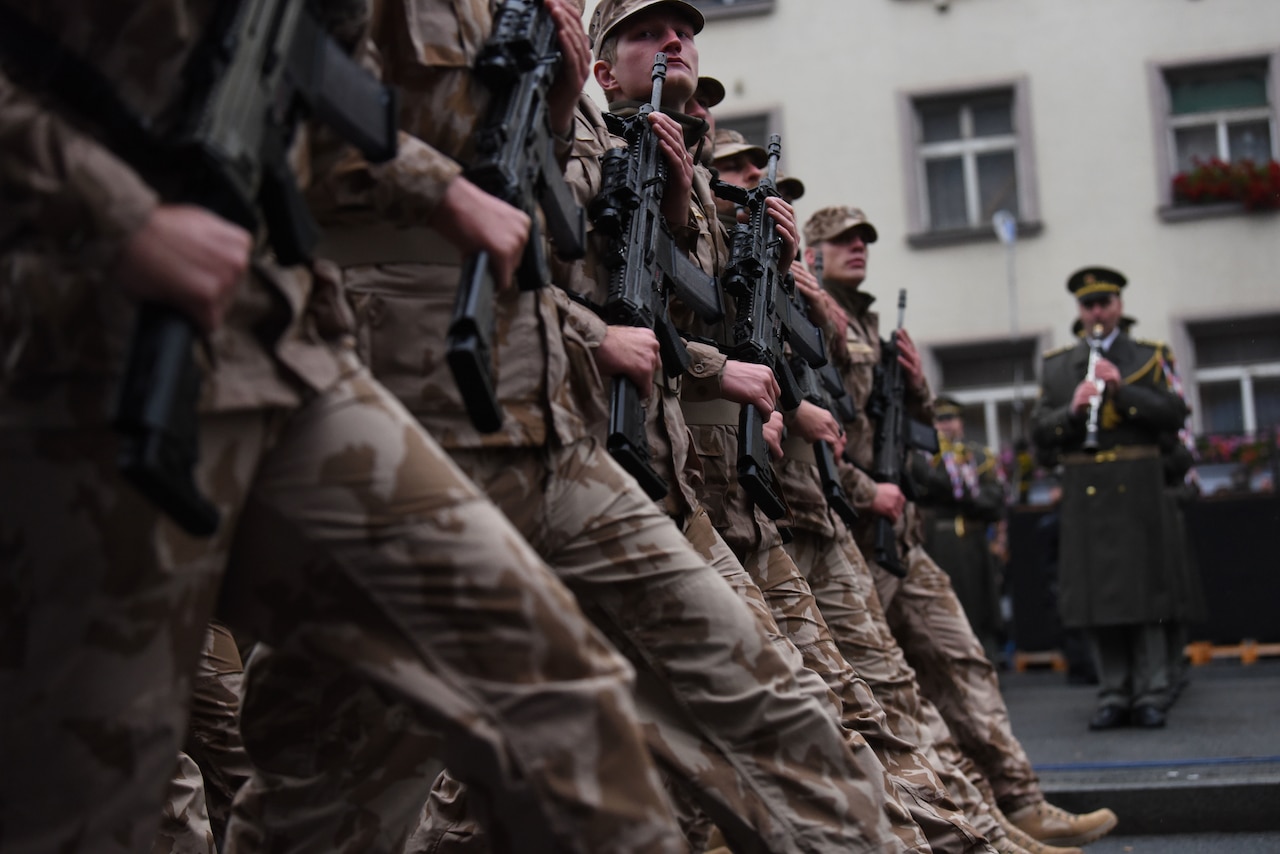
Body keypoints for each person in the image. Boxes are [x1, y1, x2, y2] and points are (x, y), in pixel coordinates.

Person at [0, 2, 692, 851]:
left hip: (288, 351)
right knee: (98, 788)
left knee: (557, 688)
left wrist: (445, 182)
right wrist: (122, 218)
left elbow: (332, 113)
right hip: (79, 355)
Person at [804, 205, 1119, 849]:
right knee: (889, 692)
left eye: (864, 238)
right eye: (842, 239)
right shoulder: (805, 312)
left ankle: (1017, 802)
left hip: (903, 532)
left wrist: (916, 388)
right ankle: (964, 824)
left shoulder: (869, 322)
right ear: (811, 249)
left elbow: (913, 435)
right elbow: (812, 426)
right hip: (849, 526)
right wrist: (869, 491)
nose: (858, 247)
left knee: (962, 660)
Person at [1030, 266, 1203, 730]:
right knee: (1097, 596)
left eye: (1105, 302)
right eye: (1089, 305)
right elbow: (1039, 434)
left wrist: (1123, 391)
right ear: (1080, 312)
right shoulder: (1058, 366)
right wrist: (1072, 410)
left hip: (1140, 486)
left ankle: (1151, 691)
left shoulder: (1150, 356)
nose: (1097, 312)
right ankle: (1112, 693)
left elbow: (1174, 414)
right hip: (1086, 494)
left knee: (1145, 594)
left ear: (1119, 306)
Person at [915, 396, 1008, 664]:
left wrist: (963, 496)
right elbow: (928, 484)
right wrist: (967, 492)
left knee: (981, 609)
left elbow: (995, 501)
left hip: (974, 544)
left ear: (961, 422)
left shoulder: (980, 456)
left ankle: (986, 666)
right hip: (937, 542)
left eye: (950, 419)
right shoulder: (924, 456)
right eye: (939, 420)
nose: (945, 426)